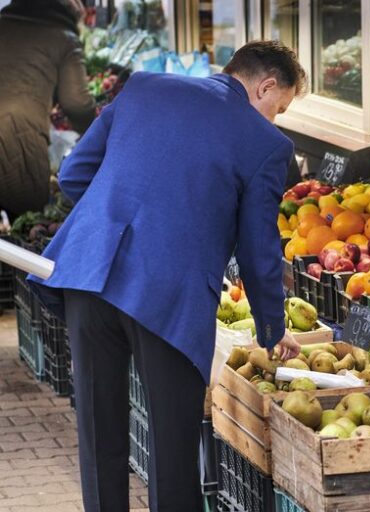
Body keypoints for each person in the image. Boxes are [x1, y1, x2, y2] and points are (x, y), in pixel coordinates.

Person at [28, 41, 305, 512]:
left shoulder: (144, 88)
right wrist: (272, 329)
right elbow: (260, 251)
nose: (275, 120)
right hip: (169, 298)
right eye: (278, 109)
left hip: (90, 274)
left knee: (99, 433)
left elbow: (75, 175)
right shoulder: (268, 146)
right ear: (266, 86)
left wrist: (121, 214)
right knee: (173, 451)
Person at [0, 0, 95, 218]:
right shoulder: (64, 39)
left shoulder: (3, 25)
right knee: (22, 228)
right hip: (18, 144)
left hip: (14, 135)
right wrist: (97, 134)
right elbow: (77, 104)